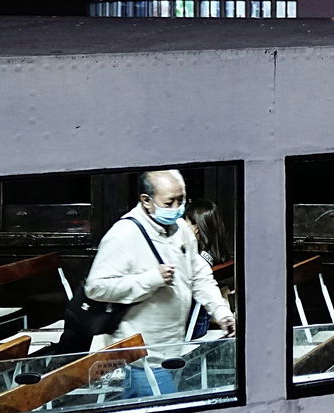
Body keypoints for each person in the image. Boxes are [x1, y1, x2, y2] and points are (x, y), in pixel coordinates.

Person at [84, 169, 236, 399]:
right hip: (142, 354)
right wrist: (150, 279)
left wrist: (221, 310)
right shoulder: (124, 233)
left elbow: (199, 274)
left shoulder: (181, 229)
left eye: (181, 200)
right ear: (146, 200)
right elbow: (96, 287)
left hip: (172, 347)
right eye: (169, 202)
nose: (177, 208)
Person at [182, 199, 234, 339]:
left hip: (191, 329)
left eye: (184, 222)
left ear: (196, 229)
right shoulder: (215, 257)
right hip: (201, 326)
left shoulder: (198, 261)